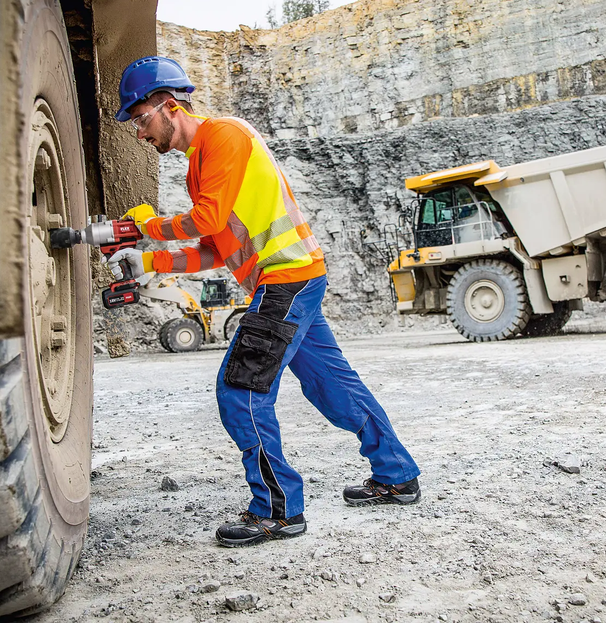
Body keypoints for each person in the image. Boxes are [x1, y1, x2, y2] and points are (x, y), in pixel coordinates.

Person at [107, 56, 421, 547]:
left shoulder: (224, 137)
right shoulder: (199, 167)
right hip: (295, 279)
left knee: (241, 390)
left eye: (141, 119)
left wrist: (141, 229)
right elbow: (214, 246)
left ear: (170, 106)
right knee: (332, 384)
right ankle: (397, 473)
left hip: (285, 281)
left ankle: (277, 510)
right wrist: (148, 264)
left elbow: (207, 220)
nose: (140, 133)